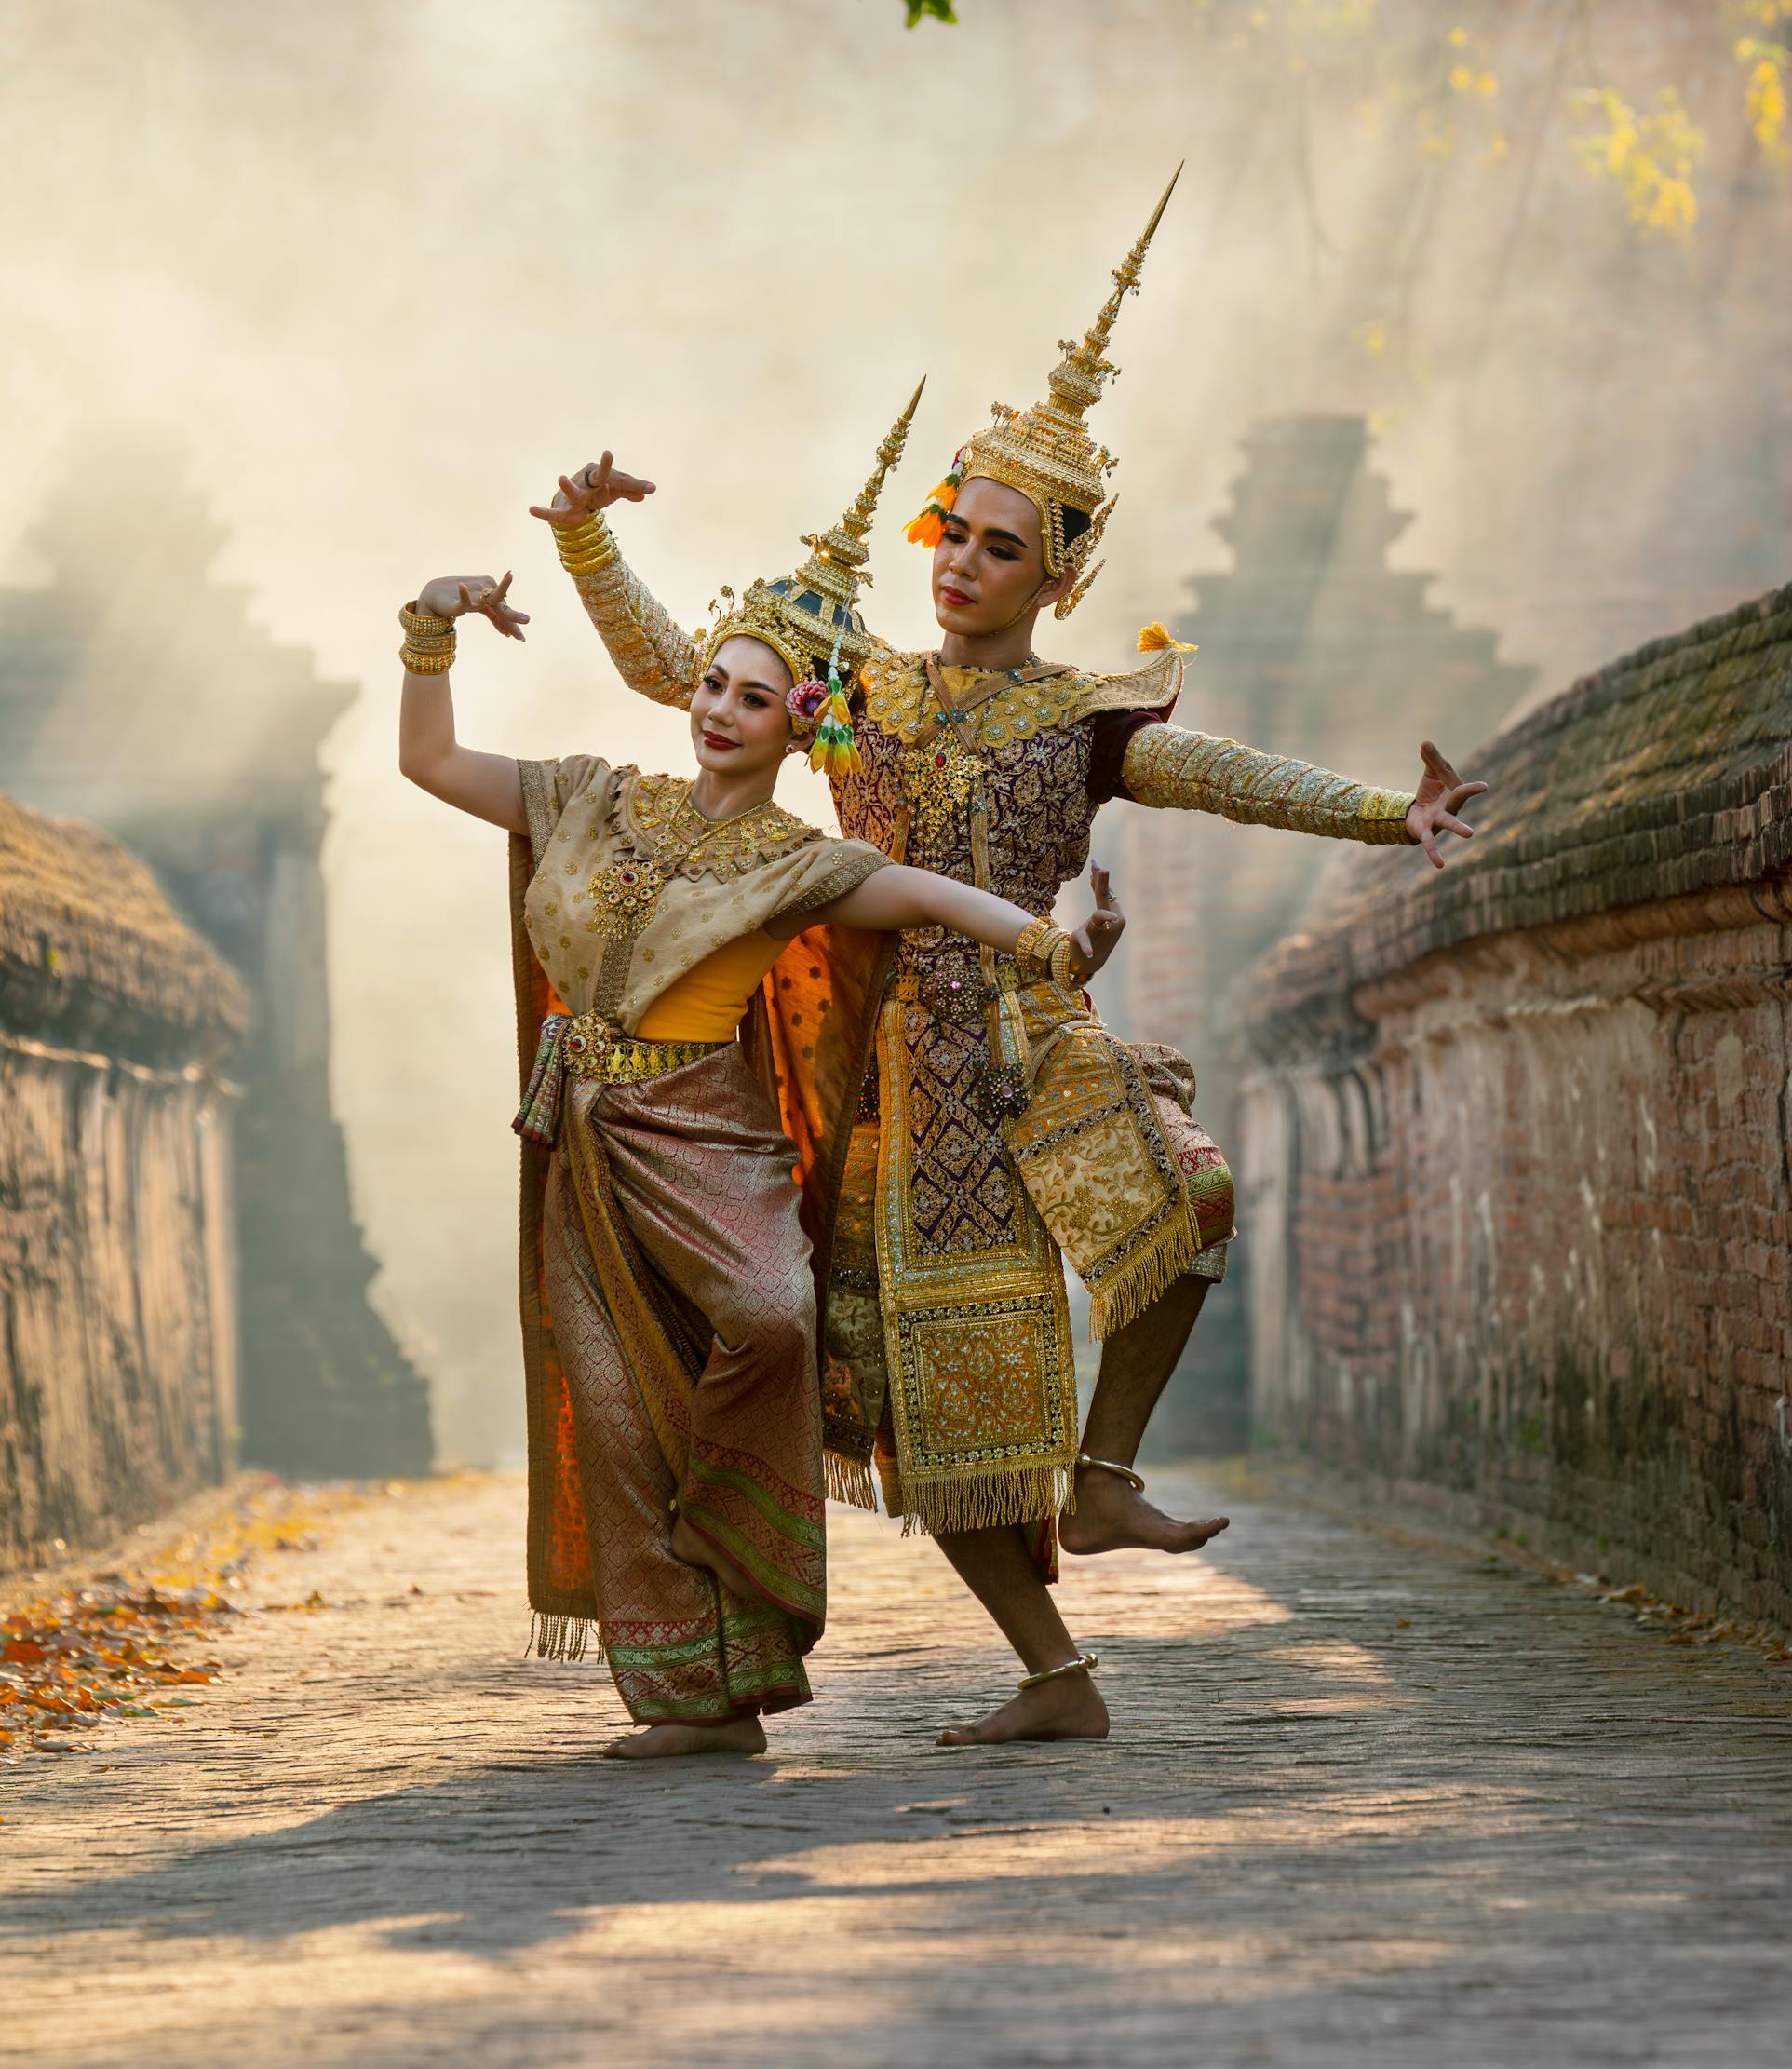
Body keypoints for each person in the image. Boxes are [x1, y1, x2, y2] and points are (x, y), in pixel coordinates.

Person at [534, 180, 1488, 1747]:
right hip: (894, 1072)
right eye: (950, 535)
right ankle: (1057, 1679)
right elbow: (672, 671)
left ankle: (1106, 1475)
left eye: (998, 547)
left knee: (1188, 1198)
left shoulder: (1083, 718)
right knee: (938, 1392)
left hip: (1039, 1023)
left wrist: (1392, 813)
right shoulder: (859, 696)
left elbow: (1227, 776)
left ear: (1062, 577)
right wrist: (582, 541)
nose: (960, 564)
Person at [397, 397, 1114, 1759]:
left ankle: (745, 1534)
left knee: (773, 1324)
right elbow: (426, 759)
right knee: (612, 1414)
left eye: (754, 697)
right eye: (710, 687)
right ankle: (699, 1706)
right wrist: (429, 630)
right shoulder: (591, 797)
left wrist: (1053, 942)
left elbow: (938, 894)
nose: (721, 713)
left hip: (714, 1147)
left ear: (804, 724)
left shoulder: (800, 864)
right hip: (584, 1152)